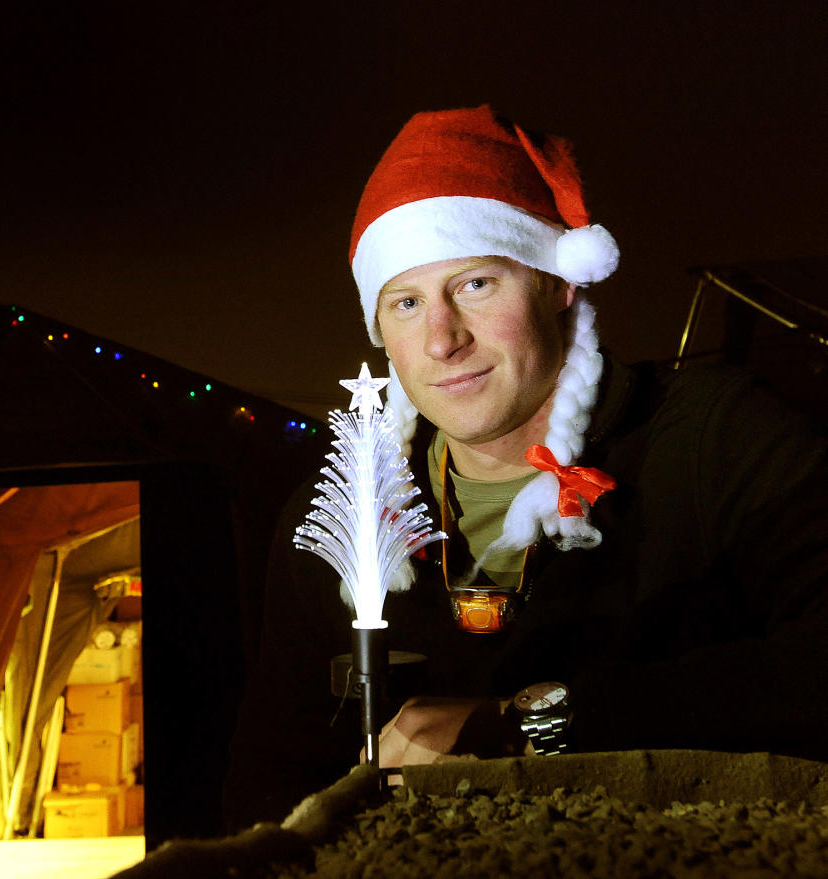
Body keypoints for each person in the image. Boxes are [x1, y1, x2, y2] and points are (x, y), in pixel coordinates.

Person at [222, 105, 828, 829]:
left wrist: (533, 721)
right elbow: (267, 784)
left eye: (475, 284)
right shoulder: (340, 520)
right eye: (407, 302)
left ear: (559, 283)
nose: (441, 339)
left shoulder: (713, 440)